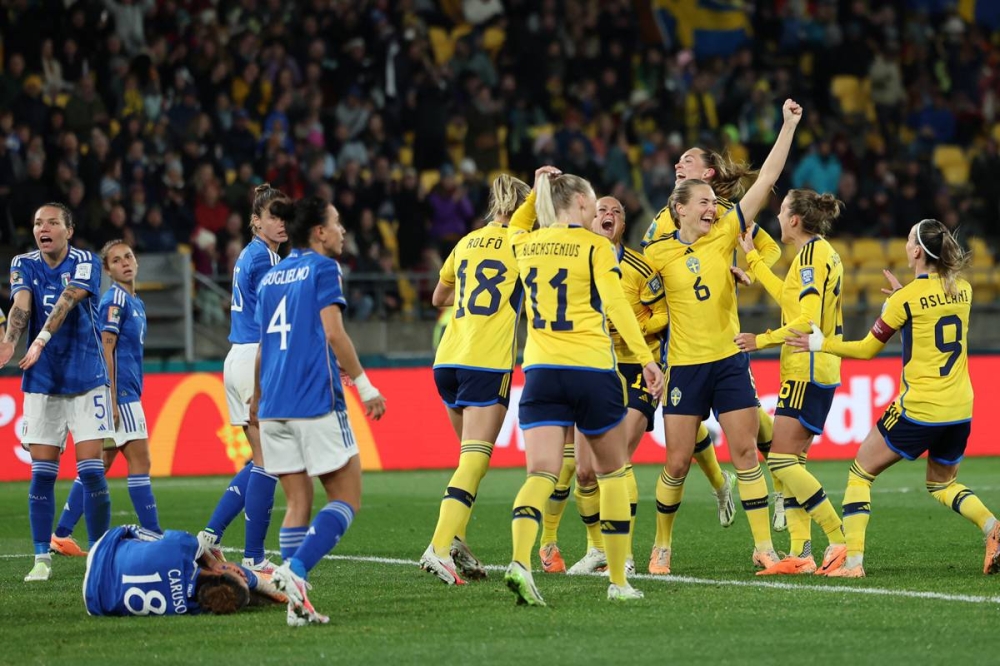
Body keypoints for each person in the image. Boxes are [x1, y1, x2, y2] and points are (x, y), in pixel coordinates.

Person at [642, 99, 803, 575]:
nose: (714, 208)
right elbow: (632, 299)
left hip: (729, 360)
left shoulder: (727, 228)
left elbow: (767, 179)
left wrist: (788, 126)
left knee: (746, 453)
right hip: (685, 367)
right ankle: (661, 547)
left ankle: (764, 549)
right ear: (680, 210)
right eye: (705, 204)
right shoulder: (657, 252)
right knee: (676, 462)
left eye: (715, 203)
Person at [789, 219, 1000, 577]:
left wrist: (821, 343)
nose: (905, 244)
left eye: (908, 238)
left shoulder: (905, 300)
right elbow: (931, 313)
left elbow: (866, 350)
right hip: (960, 407)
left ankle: (853, 562)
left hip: (920, 408)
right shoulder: (963, 290)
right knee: (942, 483)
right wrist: (905, 299)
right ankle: (992, 528)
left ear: (916, 251)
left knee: (860, 473)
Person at [503, 166, 664, 606]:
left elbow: (517, 224)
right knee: (612, 474)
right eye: (592, 200)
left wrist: (536, 191)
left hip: (541, 370)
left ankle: (520, 561)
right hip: (591, 370)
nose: (597, 207)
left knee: (541, 473)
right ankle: (619, 581)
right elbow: (616, 306)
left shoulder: (527, 243)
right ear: (578, 202)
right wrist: (647, 359)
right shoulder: (596, 247)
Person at [253, 196, 387, 625]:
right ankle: (294, 569)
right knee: (346, 497)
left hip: (273, 404)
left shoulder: (270, 277)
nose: (343, 231)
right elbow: (333, 332)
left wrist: (256, 398)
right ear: (319, 232)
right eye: (337, 223)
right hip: (313, 399)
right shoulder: (324, 268)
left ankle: (296, 605)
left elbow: (264, 347)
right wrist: (365, 386)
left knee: (298, 502)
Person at [537, 196, 669, 577]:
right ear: (589, 220)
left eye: (616, 212)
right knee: (583, 472)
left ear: (623, 225)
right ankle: (597, 548)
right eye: (601, 211)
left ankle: (622, 554)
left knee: (616, 458)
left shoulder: (640, 268)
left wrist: (636, 329)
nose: (608, 216)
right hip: (592, 367)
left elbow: (663, 312)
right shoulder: (577, 262)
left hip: (634, 367)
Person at [419, 174, 531, 585]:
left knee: (469, 460)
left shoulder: (466, 241)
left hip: (448, 359)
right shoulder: (523, 243)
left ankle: (457, 540)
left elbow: (438, 297)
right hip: (487, 361)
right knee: (475, 460)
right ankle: (438, 546)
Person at [733, 190, 848, 576]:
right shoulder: (818, 253)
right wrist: (752, 258)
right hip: (818, 369)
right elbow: (789, 298)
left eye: (782, 211)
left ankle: (838, 538)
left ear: (795, 219)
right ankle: (801, 553)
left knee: (781, 461)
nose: (778, 217)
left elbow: (807, 320)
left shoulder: (812, 256)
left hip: (807, 370)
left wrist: (761, 340)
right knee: (792, 462)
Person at [0, 203, 112, 583]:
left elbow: (67, 300)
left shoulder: (86, 261)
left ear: (69, 230)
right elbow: (21, 305)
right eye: (37, 223)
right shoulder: (23, 263)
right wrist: (10, 340)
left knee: (92, 471)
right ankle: (41, 558)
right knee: (42, 473)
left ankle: (99, 556)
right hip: (43, 380)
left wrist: (40, 340)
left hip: (86, 377)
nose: (42, 228)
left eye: (51, 222)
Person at [197, 184, 288, 576]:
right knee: (271, 460)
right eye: (273, 216)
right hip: (255, 358)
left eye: (285, 216)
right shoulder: (265, 259)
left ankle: (210, 535)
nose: (282, 223)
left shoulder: (252, 254)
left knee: (261, 458)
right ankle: (254, 556)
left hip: (237, 356)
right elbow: (273, 321)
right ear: (256, 221)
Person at [51, 240, 161, 554]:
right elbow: (106, 349)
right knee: (141, 461)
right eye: (116, 260)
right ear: (108, 270)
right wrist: (111, 398)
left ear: (136, 261)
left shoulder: (135, 301)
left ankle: (61, 533)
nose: (124, 262)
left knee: (101, 464)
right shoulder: (115, 300)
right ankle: (153, 533)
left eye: (128, 256)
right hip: (120, 393)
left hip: (126, 391)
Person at [84, 525, 286, 617]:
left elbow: (196, 547)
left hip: (104, 550)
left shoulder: (180, 547)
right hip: (95, 601)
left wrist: (213, 563)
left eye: (237, 573)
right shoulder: (191, 607)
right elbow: (236, 596)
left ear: (219, 573)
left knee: (151, 540)